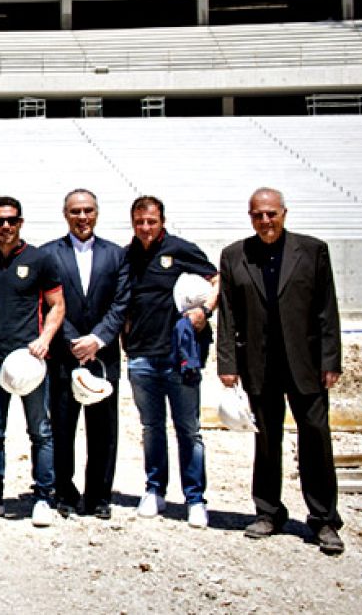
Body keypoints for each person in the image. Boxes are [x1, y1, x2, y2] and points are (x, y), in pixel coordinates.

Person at [217, 188, 344, 555]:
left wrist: (330, 360)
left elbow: (326, 310)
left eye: (271, 214)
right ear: (250, 215)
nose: (265, 221)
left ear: (284, 213)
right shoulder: (235, 255)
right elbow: (228, 314)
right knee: (267, 440)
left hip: (305, 363)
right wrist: (228, 364)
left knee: (316, 438)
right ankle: (269, 512)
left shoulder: (313, 250)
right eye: (258, 215)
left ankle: (323, 520)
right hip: (259, 364)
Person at [0, 196, 65, 527]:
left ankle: (43, 498)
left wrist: (44, 340)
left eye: (11, 220)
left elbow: (57, 305)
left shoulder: (40, 259)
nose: (5, 226)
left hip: (29, 360)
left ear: (21, 222)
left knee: (40, 430)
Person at [123, 195, 218, 529]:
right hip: (141, 357)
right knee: (151, 428)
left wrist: (204, 311)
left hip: (181, 358)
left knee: (188, 429)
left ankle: (195, 499)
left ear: (162, 220)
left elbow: (216, 279)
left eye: (151, 221)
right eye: (139, 222)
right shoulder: (127, 255)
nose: (145, 228)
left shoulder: (181, 249)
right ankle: (154, 489)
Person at [44, 190, 130, 519]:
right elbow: (48, 302)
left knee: (103, 430)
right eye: (76, 211)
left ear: (97, 213)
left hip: (103, 356)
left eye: (88, 210)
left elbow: (121, 302)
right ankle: (64, 493)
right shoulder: (50, 254)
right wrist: (72, 341)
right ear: (66, 214)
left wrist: (97, 339)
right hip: (65, 355)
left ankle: (98, 496)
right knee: (63, 427)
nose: (83, 217)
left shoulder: (116, 254)